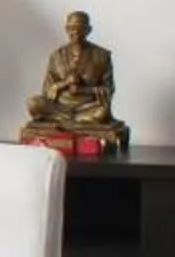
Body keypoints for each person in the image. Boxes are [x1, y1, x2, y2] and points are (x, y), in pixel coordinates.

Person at [23, 10, 128, 151]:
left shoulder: (102, 56)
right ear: (66, 29)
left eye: (80, 28)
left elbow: (109, 89)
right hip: (59, 107)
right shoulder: (56, 56)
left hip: (87, 107)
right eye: (72, 28)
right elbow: (47, 91)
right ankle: (70, 121)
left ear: (88, 30)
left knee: (102, 112)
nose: (76, 32)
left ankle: (69, 122)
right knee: (33, 103)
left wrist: (84, 90)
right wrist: (65, 83)